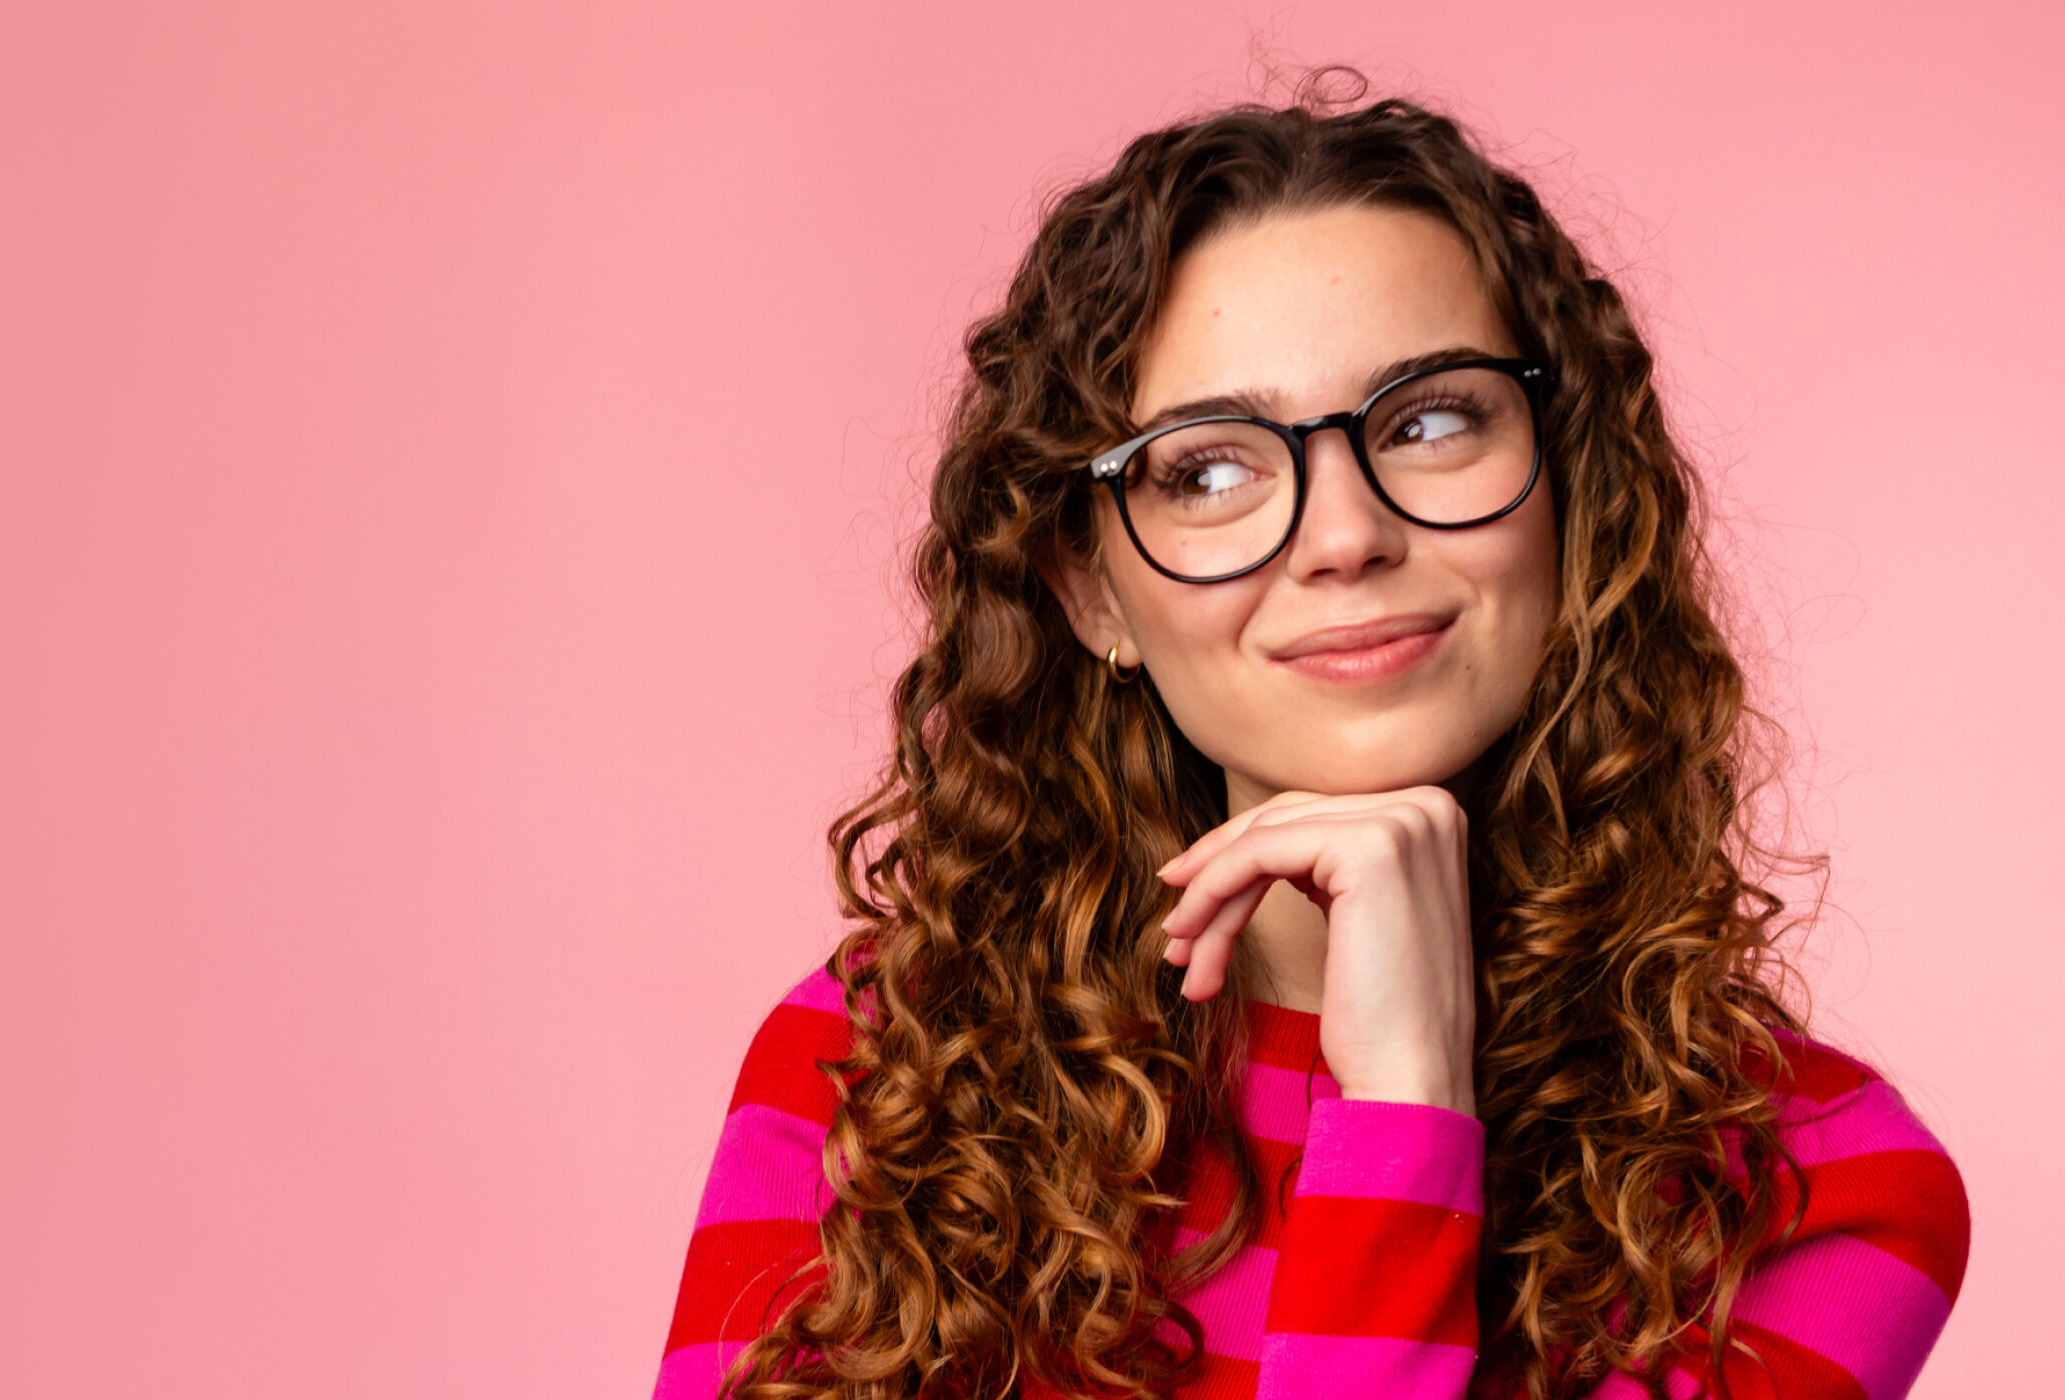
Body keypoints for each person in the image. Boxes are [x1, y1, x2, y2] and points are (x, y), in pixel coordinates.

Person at [651, 89, 1968, 1400]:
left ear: (1575, 494)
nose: (1344, 537)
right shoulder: (872, 1080)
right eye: (1208, 469)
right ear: (1092, 592)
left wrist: (1403, 1109)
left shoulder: (1828, 1197)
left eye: (1430, 421)